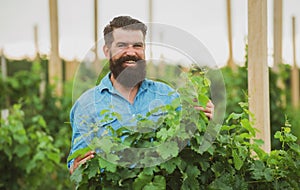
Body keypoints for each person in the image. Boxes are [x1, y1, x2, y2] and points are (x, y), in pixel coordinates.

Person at [68, 15, 214, 174]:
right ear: (107, 50)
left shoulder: (168, 96)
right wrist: (76, 168)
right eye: (122, 45)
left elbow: (192, 147)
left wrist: (208, 123)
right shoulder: (86, 104)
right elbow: (78, 163)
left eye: (137, 45)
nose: (131, 52)